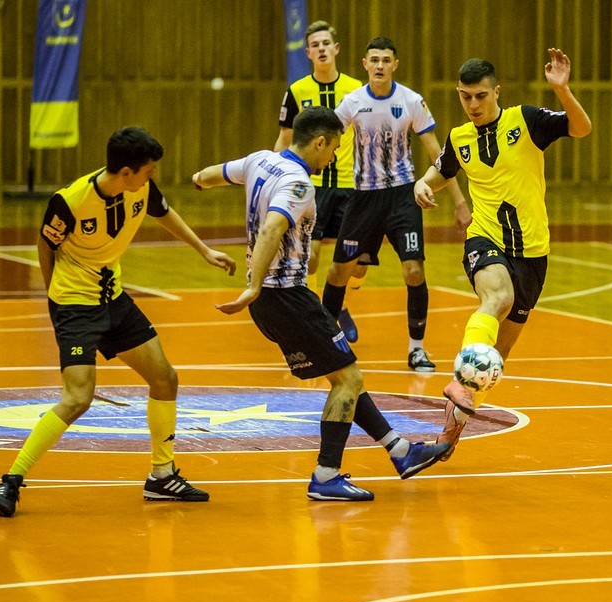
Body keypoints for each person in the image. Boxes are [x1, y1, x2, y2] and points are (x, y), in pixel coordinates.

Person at [193, 106, 451, 501]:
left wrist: (199, 180)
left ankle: (401, 451)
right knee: (348, 379)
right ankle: (326, 476)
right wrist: (254, 286)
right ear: (318, 142)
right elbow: (273, 228)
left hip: (273, 303)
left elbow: (214, 174)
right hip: (287, 297)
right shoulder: (298, 184)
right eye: (333, 149)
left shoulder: (261, 160)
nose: (332, 158)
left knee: (343, 374)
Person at [0, 127, 235, 517]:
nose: (153, 176)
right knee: (77, 399)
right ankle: (11, 480)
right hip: (75, 305)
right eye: (149, 170)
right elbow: (45, 245)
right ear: (126, 172)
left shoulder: (141, 188)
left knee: (165, 379)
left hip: (113, 299)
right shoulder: (71, 201)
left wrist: (203, 251)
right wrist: (56, 299)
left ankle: (161, 476)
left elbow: (163, 212)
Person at [414, 50, 591, 460]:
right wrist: (423, 183)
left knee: (497, 356)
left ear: (497, 92)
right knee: (498, 297)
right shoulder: (460, 138)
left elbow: (581, 128)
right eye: (465, 97)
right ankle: (459, 380)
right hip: (485, 237)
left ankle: (449, 432)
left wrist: (562, 90)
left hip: (533, 252)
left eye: (480, 96)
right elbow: (442, 170)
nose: (473, 105)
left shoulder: (524, 121)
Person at [322, 36, 470, 373]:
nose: (379, 66)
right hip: (363, 196)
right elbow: (327, 137)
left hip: (403, 196)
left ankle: (416, 349)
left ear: (395, 65)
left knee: (414, 270)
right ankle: (325, 342)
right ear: (365, 64)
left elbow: (438, 153)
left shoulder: (411, 101)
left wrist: (459, 201)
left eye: (385, 60)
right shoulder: (352, 102)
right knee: (338, 271)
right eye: (374, 60)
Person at [275, 20, 366, 344]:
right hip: (312, 186)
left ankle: (343, 306)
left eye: (326, 43)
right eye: (315, 45)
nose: (322, 49)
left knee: (359, 262)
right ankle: (318, 316)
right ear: (308, 53)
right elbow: (285, 137)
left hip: (351, 184)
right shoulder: (297, 90)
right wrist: (276, 175)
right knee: (310, 256)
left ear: (336, 48)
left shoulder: (356, 88)